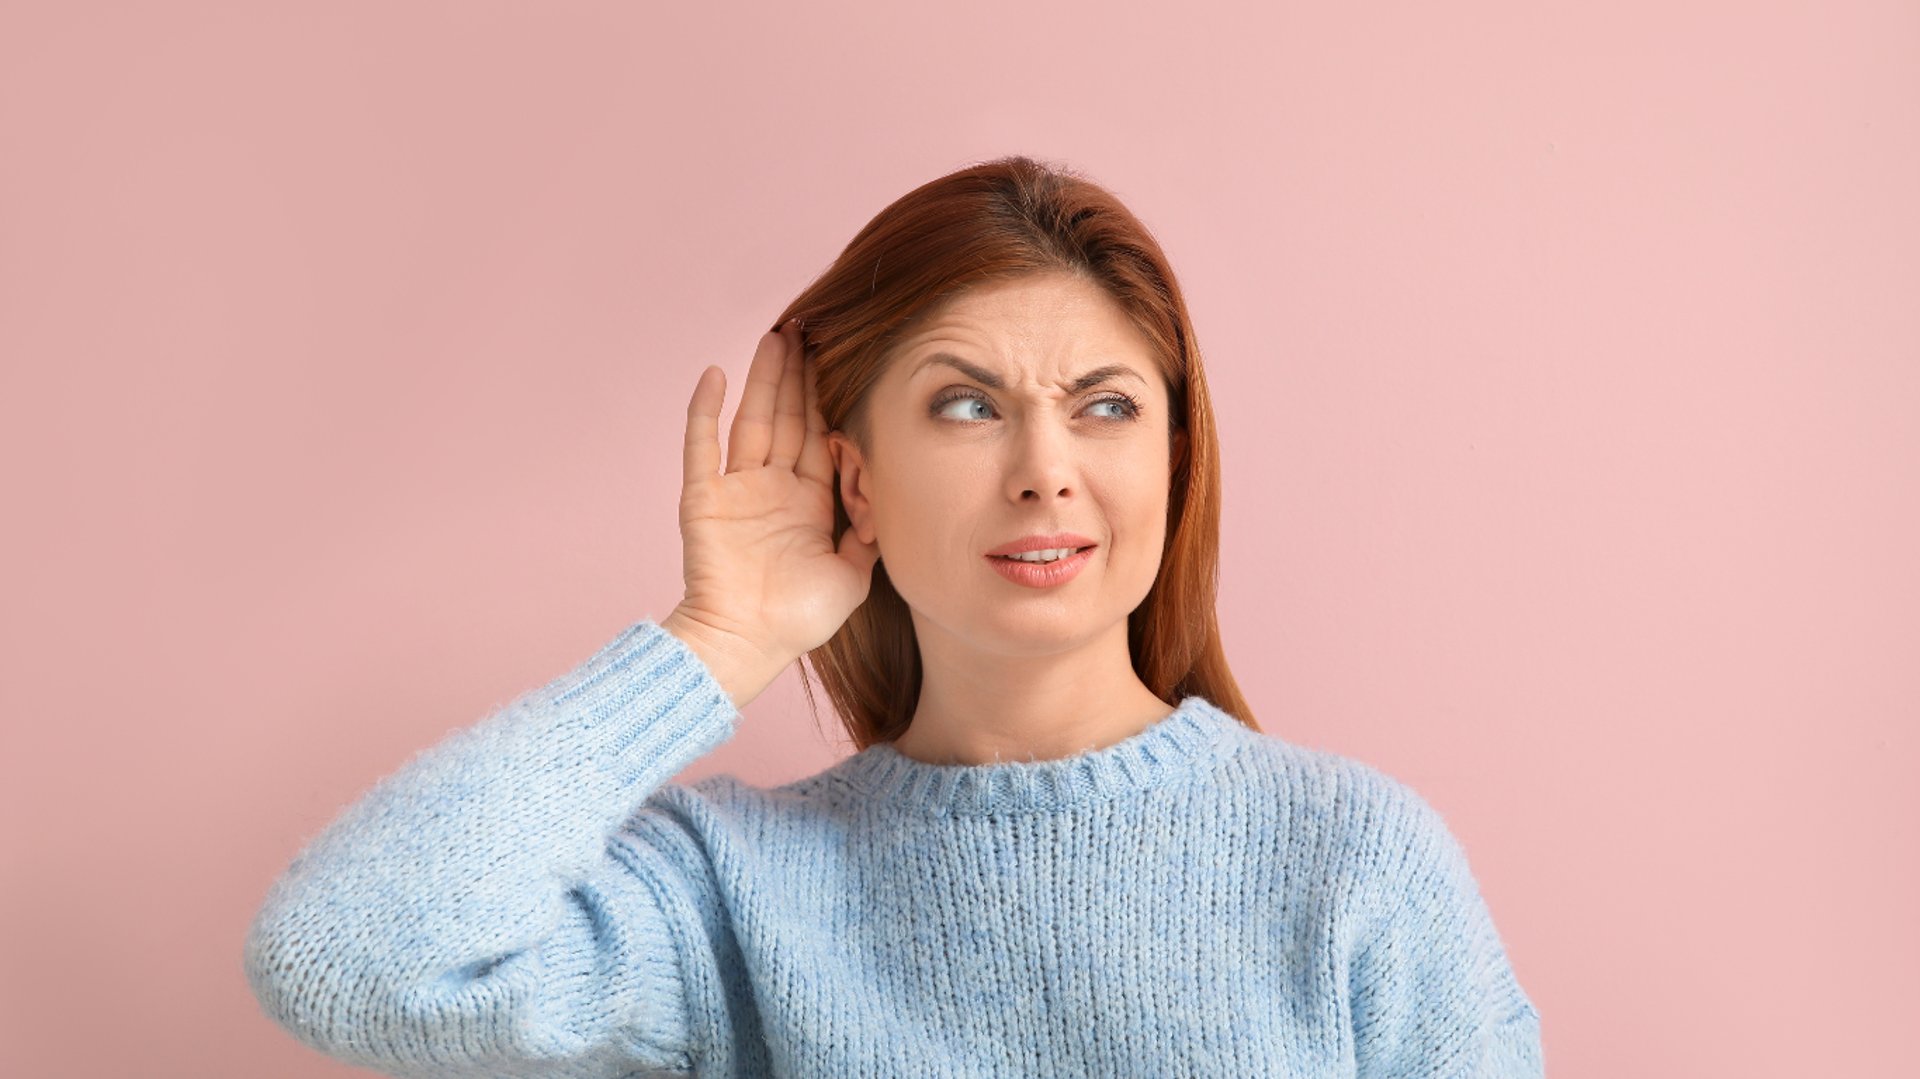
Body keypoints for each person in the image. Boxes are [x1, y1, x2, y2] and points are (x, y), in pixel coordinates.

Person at [243, 156, 1544, 1077]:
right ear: (855, 477)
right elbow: (348, 960)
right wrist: (718, 642)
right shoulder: (734, 898)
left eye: (1106, 405)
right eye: (967, 406)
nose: (1046, 467)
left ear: (1172, 460)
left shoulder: (1354, 861)